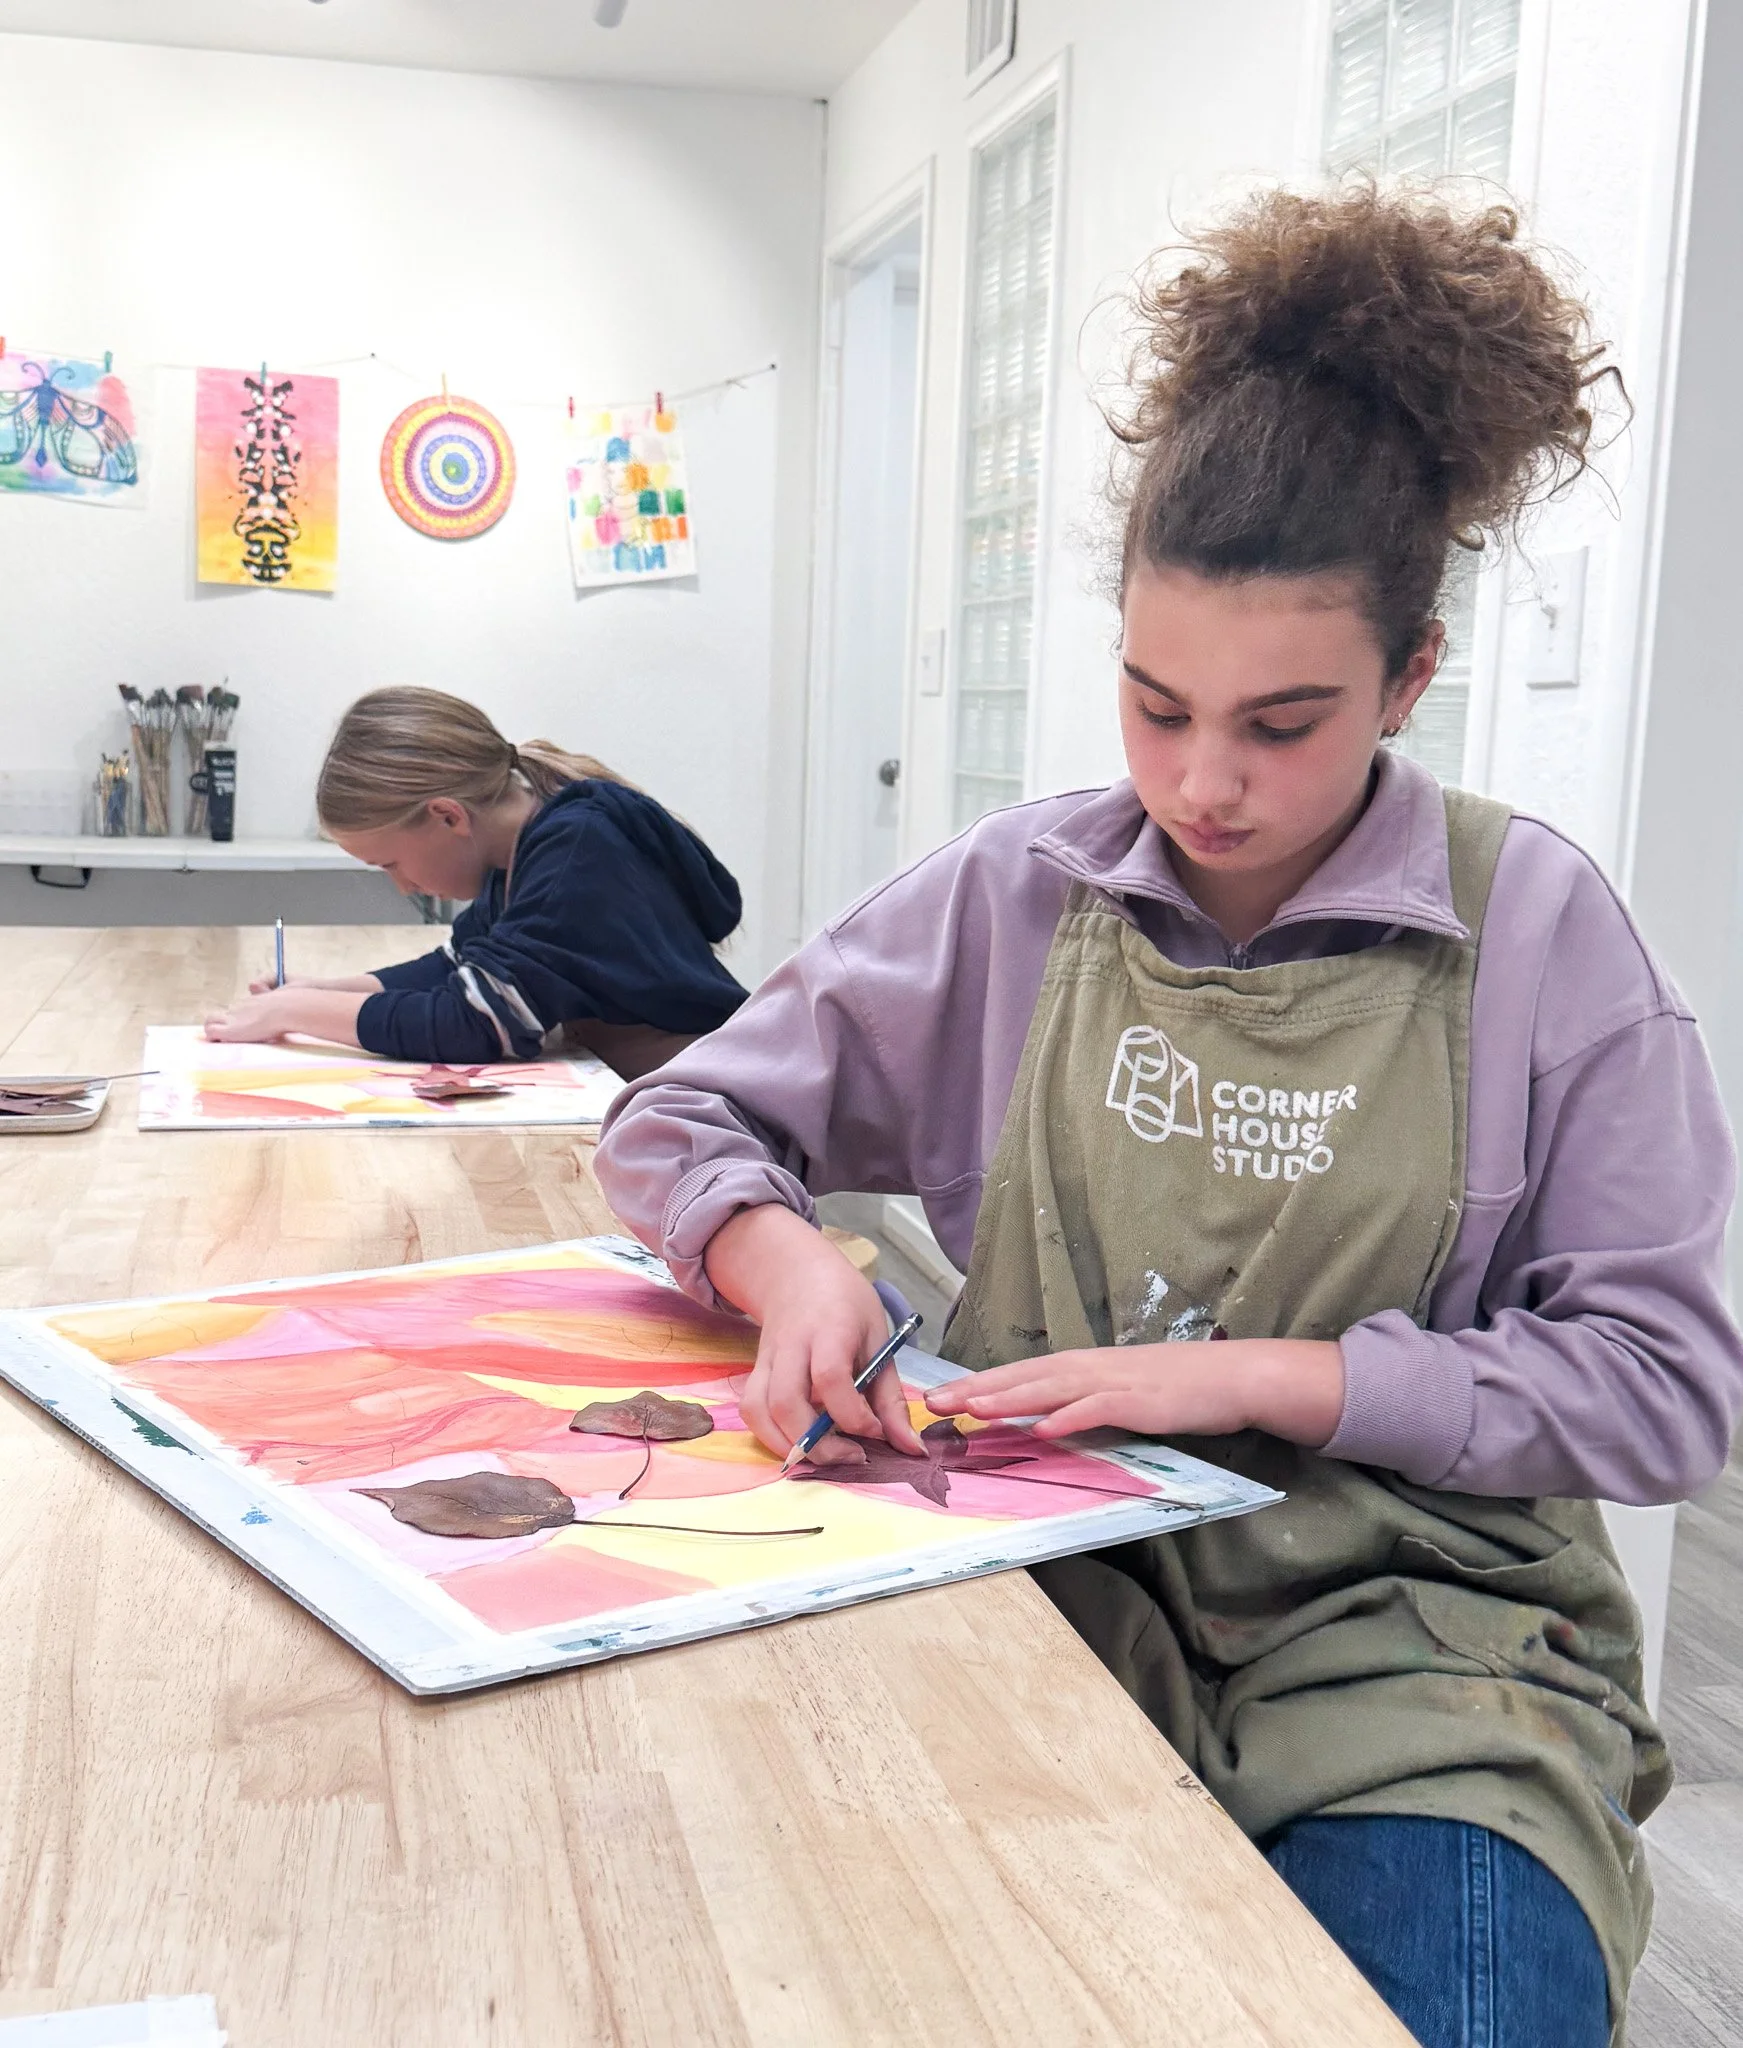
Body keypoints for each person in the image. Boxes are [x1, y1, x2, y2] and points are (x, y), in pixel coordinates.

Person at [593, 187, 1743, 2045]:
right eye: (1149, 702)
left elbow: (1664, 1390)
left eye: (1282, 723)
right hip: (1025, 1590)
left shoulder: (1538, 932)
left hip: (1424, 1661)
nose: (1199, 782)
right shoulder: (1016, 891)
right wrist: (778, 1248)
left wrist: (1261, 1378)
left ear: (1411, 677)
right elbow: (678, 1113)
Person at [204, 687, 748, 1080]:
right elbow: (458, 970)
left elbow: (477, 1023)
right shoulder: (518, 847)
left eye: (390, 863)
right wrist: (319, 990)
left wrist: (291, 1013)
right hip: (645, 1088)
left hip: (710, 1101)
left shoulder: (574, 855)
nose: (402, 887)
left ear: (447, 816)